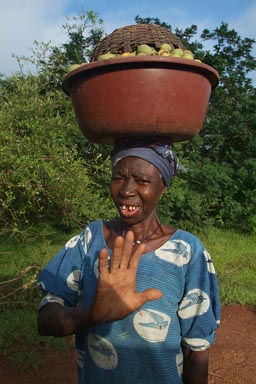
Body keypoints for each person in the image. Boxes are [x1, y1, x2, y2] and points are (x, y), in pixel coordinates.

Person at [37, 142, 220, 384]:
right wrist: (91, 315)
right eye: (119, 178)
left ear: (163, 186)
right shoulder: (90, 240)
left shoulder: (187, 252)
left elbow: (196, 349)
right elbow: (45, 321)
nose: (126, 190)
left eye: (142, 181)